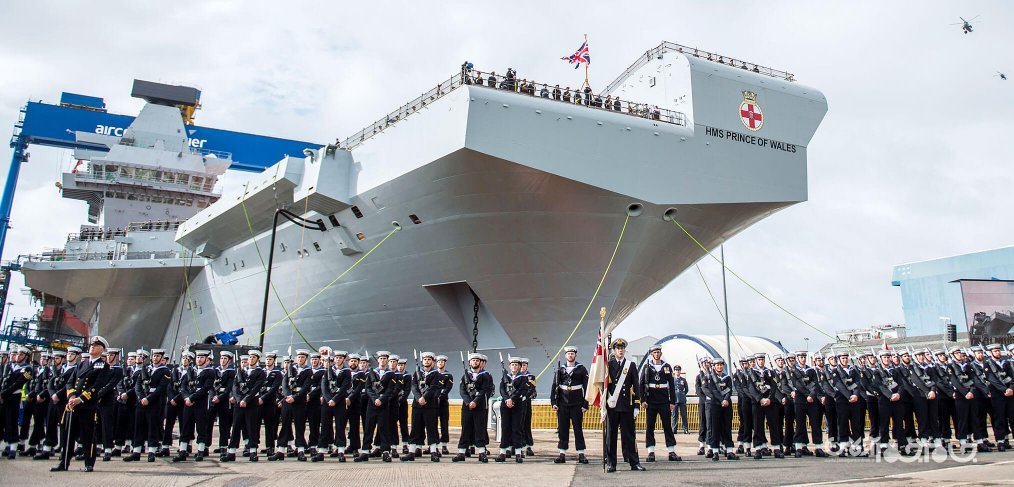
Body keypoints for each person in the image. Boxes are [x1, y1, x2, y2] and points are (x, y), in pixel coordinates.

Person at [51, 336, 113, 473]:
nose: (92, 347)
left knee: (88, 436)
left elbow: (97, 386)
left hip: (87, 406)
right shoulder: (81, 364)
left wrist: (80, 399)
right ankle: (64, 462)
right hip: (73, 405)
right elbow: (70, 382)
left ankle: (89, 462)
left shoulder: (104, 366)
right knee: (68, 435)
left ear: (102, 349)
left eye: (96, 345)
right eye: (91, 344)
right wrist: (72, 396)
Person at [602, 338, 644, 472]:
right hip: (612, 406)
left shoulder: (630, 365)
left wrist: (637, 405)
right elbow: (604, 387)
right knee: (611, 436)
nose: (620, 350)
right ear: (614, 350)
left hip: (626, 406)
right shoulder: (607, 365)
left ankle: (634, 462)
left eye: (622, 348)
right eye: (618, 348)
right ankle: (611, 463)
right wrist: (603, 406)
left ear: (624, 350)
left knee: (629, 436)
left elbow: (636, 386)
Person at [639, 345, 680, 462]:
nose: (656, 354)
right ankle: (651, 451)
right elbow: (641, 383)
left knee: (667, 426)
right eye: (654, 352)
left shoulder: (666, 367)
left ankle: (671, 451)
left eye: (658, 352)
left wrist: (672, 401)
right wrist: (643, 400)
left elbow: (671, 385)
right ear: (651, 354)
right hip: (651, 400)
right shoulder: (647, 367)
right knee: (650, 426)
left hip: (663, 400)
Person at [551, 345, 589, 464]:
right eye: (568, 354)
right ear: (565, 356)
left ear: (575, 355)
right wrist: (554, 402)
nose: (570, 355)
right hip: (563, 403)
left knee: (578, 429)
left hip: (577, 403)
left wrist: (585, 404)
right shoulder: (560, 370)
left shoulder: (581, 369)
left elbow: (587, 387)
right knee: (563, 429)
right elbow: (554, 387)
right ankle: (562, 453)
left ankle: (581, 453)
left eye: (572, 353)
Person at [357, 351, 396, 462]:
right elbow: (368, 388)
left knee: (384, 429)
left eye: (384, 358)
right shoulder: (372, 372)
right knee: (368, 428)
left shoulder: (391, 374)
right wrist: (375, 399)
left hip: (383, 405)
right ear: (378, 360)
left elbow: (390, 390)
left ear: (387, 360)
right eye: (381, 358)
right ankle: (365, 451)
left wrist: (381, 399)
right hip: (372, 404)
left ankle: (385, 451)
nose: (383, 360)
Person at [454, 353, 493, 463]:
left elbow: (484, 390)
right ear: (470, 362)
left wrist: (475, 401)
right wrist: (468, 402)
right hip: (467, 407)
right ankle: (461, 452)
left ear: (480, 362)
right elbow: (462, 390)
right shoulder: (465, 375)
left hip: (480, 406)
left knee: (480, 429)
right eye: (473, 360)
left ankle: (481, 452)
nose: (475, 362)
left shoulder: (485, 375)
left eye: (477, 360)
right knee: (465, 428)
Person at [745, 353, 785, 459]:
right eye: (759, 359)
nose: (761, 361)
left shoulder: (769, 372)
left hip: (769, 402)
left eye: (762, 359)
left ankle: (776, 448)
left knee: (774, 425)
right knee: (758, 426)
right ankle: (758, 448)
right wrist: (760, 399)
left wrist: (769, 399)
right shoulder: (751, 373)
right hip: (757, 403)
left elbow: (774, 386)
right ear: (756, 361)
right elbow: (751, 388)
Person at [403, 351, 441, 462]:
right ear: (422, 361)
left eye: (429, 359)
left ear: (432, 362)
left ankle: (433, 452)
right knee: (415, 428)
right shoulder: (416, 373)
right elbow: (414, 387)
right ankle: (411, 452)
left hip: (430, 405)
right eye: (425, 359)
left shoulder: (436, 374)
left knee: (431, 429)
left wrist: (424, 398)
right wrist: (419, 397)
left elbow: (433, 387)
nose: (427, 361)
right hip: (417, 405)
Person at [497, 356, 533, 463]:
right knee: (505, 428)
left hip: (517, 405)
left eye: (516, 365)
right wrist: (506, 399)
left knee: (517, 429)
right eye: (512, 365)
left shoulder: (523, 377)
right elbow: (502, 389)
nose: (514, 366)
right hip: (505, 405)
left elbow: (522, 390)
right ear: (509, 366)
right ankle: (503, 452)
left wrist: (512, 399)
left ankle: (518, 453)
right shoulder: (505, 377)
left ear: (519, 366)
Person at [704, 358, 738, 461]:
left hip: (726, 405)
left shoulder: (727, 377)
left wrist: (726, 399)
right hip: (715, 405)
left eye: (721, 365)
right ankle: (715, 451)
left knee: (727, 428)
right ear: (713, 366)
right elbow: (713, 391)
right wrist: (721, 400)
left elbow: (729, 390)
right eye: (717, 365)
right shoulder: (710, 377)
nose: (719, 367)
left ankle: (729, 451)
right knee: (715, 429)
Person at [1, 347, 32, 458]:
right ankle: (7, 446)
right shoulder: (9, 367)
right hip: (3, 397)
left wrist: (2, 394)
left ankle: (13, 448)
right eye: (17, 354)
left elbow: (18, 384)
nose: (17, 356)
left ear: (26, 356)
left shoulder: (27, 369)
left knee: (11, 422)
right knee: (2, 421)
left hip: (14, 397)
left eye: (20, 355)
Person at [96, 348, 123, 461]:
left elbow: (111, 384)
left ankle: (107, 449)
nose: (108, 357)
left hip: (107, 399)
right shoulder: (101, 367)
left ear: (116, 356)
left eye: (111, 355)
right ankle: (97, 446)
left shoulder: (118, 370)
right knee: (97, 424)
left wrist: (99, 394)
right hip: (96, 398)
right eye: (107, 355)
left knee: (107, 424)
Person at [436, 355, 453, 455]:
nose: (440, 363)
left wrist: (440, 396)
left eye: (442, 362)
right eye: (439, 362)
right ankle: (434, 446)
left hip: (443, 403)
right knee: (433, 425)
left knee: (444, 425)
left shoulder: (448, 375)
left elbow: (447, 388)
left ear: (445, 363)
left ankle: (444, 446)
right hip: (433, 403)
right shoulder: (433, 374)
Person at [671, 365, 689, 435]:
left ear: (680, 371)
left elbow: (686, 389)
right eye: (676, 370)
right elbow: (669, 389)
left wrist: (683, 394)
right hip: (674, 399)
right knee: (674, 415)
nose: (677, 371)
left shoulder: (683, 380)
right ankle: (674, 429)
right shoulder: (672, 379)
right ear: (674, 371)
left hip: (682, 399)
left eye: (678, 370)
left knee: (684, 415)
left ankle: (686, 429)